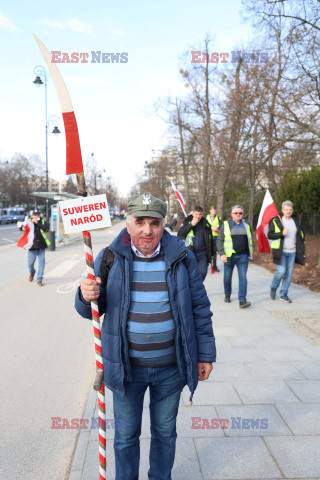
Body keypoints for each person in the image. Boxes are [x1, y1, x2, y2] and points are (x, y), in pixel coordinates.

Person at [75, 193, 216, 480]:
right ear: (128, 224)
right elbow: (90, 309)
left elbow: (200, 308)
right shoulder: (110, 257)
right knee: (126, 435)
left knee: (165, 432)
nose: (147, 230)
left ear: (165, 224)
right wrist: (84, 294)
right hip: (126, 369)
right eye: (140, 221)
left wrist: (205, 355)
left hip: (171, 368)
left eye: (155, 222)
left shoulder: (182, 257)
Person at [268, 200, 305, 303]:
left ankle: (284, 293)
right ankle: (274, 287)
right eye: (286, 209)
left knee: (289, 274)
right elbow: (270, 235)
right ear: (282, 210)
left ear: (292, 210)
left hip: (292, 251)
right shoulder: (276, 220)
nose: (288, 211)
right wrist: (281, 233)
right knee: (281, 271)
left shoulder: (297, 220)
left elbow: (301, 234)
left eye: (290, 209)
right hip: (281, 251)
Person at [217, 204, 252, 308]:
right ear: (231, 214)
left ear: (243, 214)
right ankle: (227, 294)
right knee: (227, 277)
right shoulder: (226, 225)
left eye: (240, 213)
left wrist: (250, 254)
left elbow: (249, 240)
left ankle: (242, 300)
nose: (238, 215)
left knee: (243, 278)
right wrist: (222, 253)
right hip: (229, 256)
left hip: (243, 256)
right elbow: (219, 240)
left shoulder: (247, 224)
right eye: (236, 213)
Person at [178, 206, 214, 280]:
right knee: (190, 273)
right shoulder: (187, 221)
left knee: (203, 272)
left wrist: (212, 253)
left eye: (200, 214)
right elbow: (180, 234)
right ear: (193, 213)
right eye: (196, 214)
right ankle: (193, 288)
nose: (198, 216)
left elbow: (210, 239)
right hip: (190, 252)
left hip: (202, 253)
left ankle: (197, 287)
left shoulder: (205, 223)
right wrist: (191, 225)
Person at [18, 211, 50, 286]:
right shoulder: (29, 222)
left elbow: (46, 228)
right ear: (32, 216)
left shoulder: (42, 222)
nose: (36, 216)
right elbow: (21, 226)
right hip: (32, 248)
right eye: (34, 215)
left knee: (41, 264)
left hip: (41, 247)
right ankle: (32, 272)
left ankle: (39, 279)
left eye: (37, 215)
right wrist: (21, 228)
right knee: (30, 264)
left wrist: (37, 223)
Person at [206, 205, 222, 272]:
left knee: (214, 252)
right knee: (207, 251)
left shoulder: (218, 218)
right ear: (210, 211)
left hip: (215, 237)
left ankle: (215, 266)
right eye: (213, 211)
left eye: (215, 211)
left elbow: (221, 227)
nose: (214, 212)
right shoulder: (206, 218)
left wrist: (216, 229)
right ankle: (205, 265)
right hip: (208, 237)